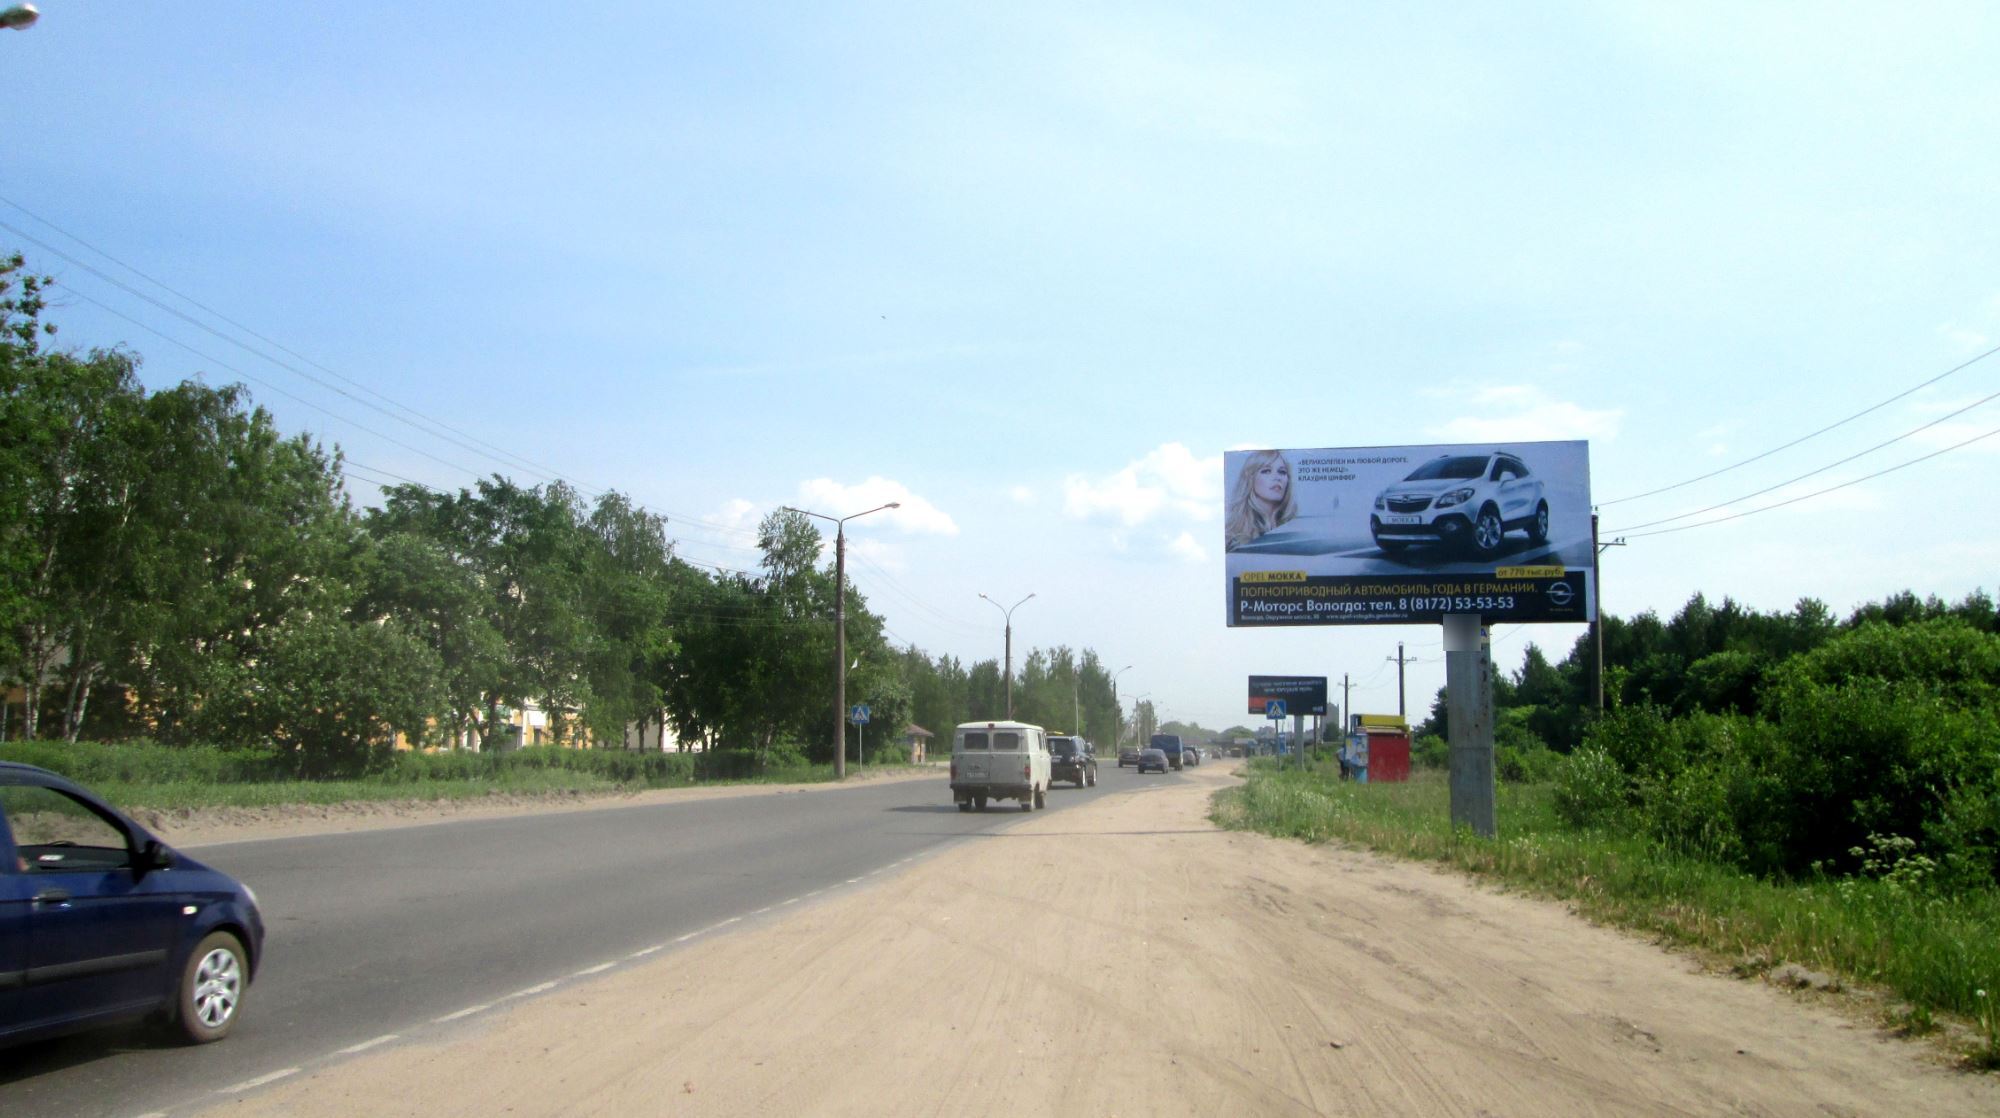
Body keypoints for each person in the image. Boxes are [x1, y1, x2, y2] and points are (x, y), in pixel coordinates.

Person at [1225, 449, 1298, 551]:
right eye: (1266, 471)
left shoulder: (1296, 532)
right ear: (1250, 479)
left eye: (1282, 472)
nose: (1277, 477)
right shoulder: (1231, 539)